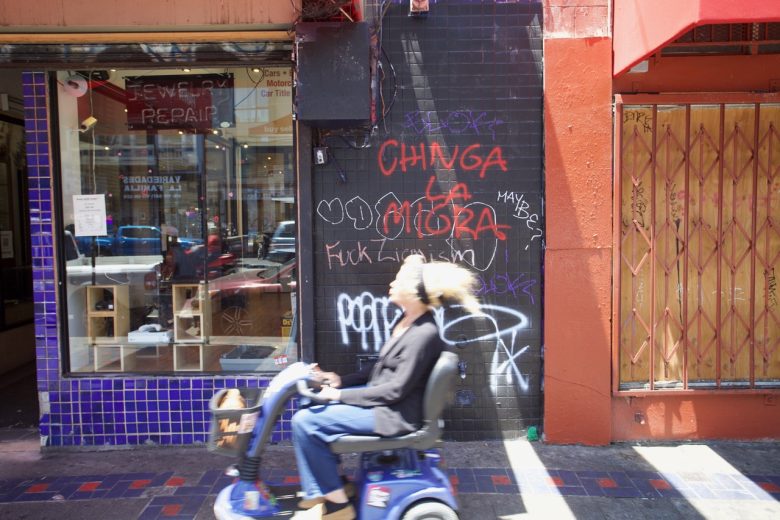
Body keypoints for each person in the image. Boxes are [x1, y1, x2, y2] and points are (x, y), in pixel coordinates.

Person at [291, 254, 480, 520]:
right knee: (308, 404)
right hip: (386, 406)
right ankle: (333, 486)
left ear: (414, 293)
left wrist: (339, 395)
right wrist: (341, 381)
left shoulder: (423, 335)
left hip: (395, 415)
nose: (391, 284)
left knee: (305, 423)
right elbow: (381, 367)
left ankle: (337, 507)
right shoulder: (406, 323)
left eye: (398, 280)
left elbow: (394, 390)